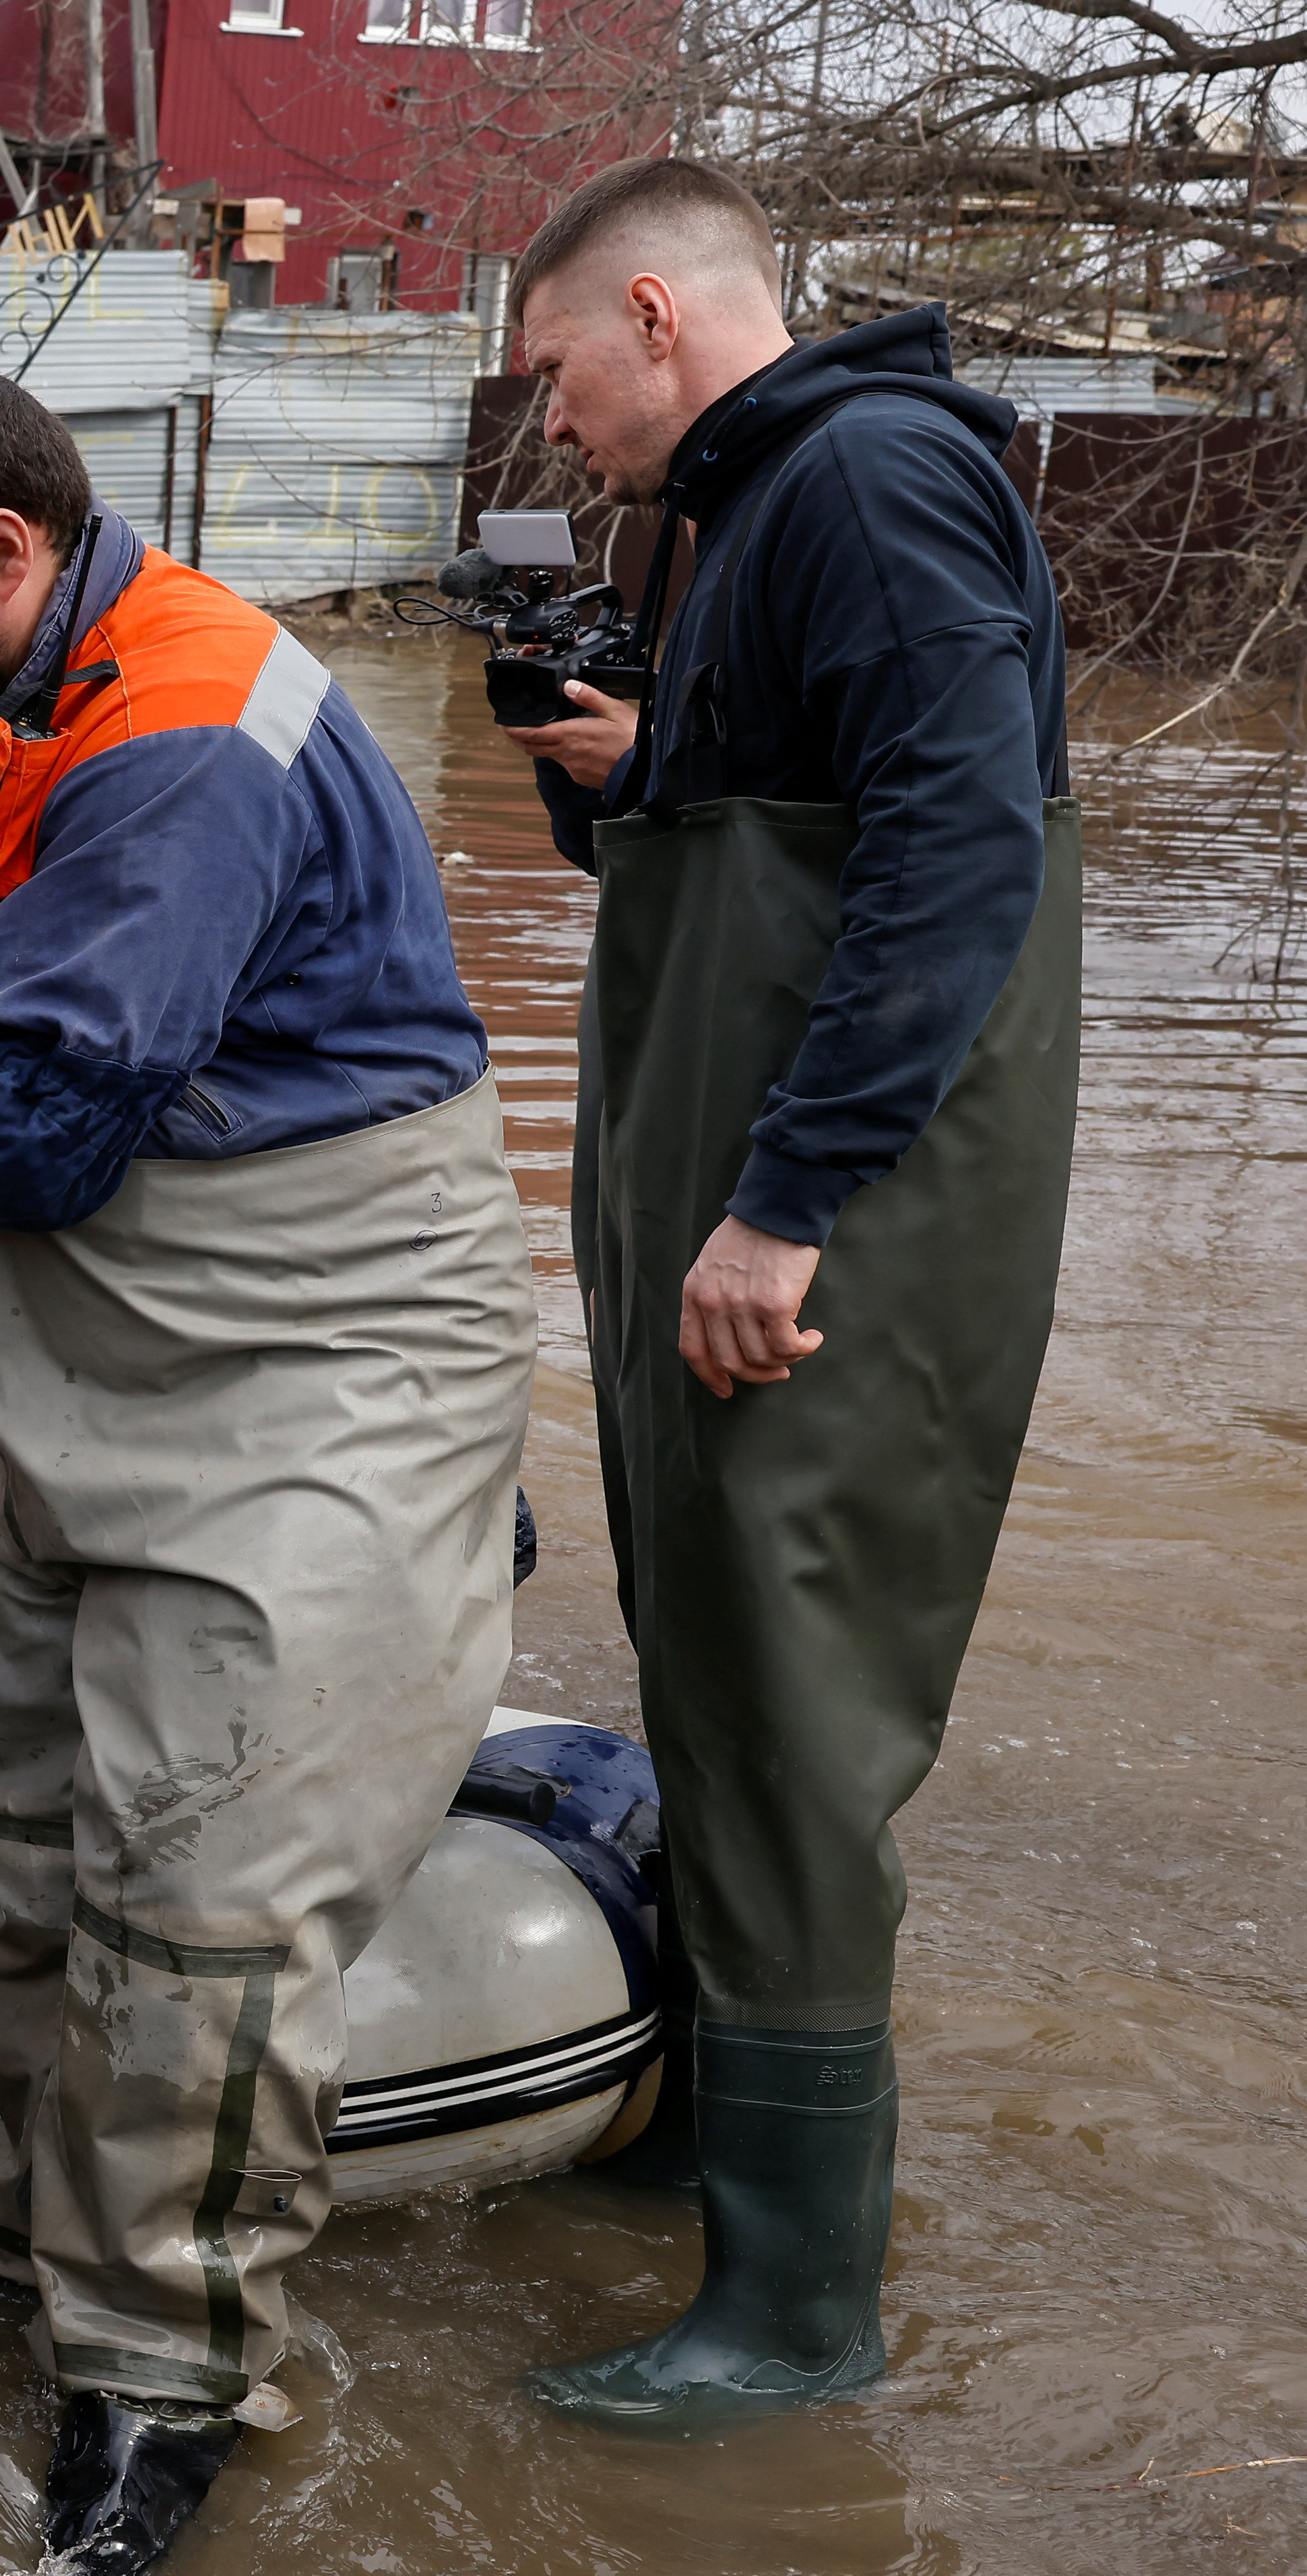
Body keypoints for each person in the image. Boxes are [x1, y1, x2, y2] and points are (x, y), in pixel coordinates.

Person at [0, 350, 537, 2576]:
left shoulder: (185, 736)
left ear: (8, 554)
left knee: (207, 1902)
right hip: (87, 1342)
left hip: (314, 1350)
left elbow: (42, 1117)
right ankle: (34, 2250)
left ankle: (163, 2381)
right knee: (42, 1841)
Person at [497, 161, 1077, 2428]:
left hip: (830, 1231)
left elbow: (960, 852)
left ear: (655, 311)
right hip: (731, 1195)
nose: (556, 427)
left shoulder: (871, 482)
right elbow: (792, 832)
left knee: (799, 1690)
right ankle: (740, 2157)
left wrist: (787, 1206)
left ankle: (800, 2319)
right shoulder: (751, 509)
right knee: (719, 1658)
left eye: (559, 373)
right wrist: (631, 779)